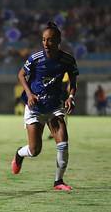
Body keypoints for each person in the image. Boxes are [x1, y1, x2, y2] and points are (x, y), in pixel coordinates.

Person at [11, 22, 79, 191]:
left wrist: (71, 97)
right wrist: (29, 93)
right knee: (35, 150)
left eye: (50, 40)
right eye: (43, 40)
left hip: (55, 106)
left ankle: (58, 181)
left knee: (63, 143)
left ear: (58, 41)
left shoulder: (67, 60)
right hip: (35, 107)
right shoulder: (35, 59)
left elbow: (73, 81)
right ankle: (19, 154)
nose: (46, 44)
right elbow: (21, 74)